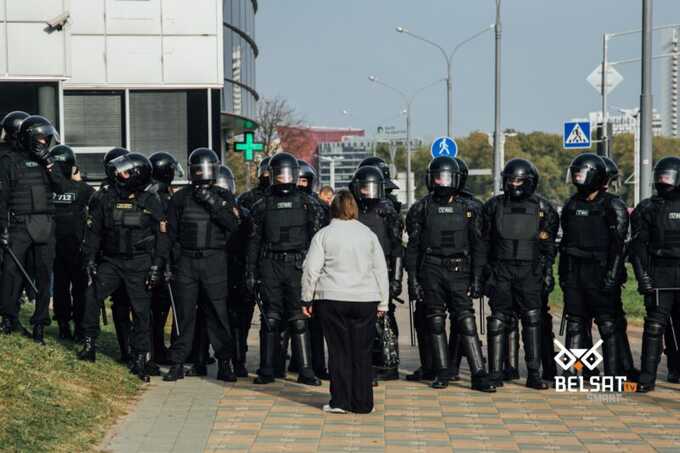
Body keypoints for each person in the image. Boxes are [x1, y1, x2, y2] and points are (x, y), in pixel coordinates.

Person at [78, 153, 169, 384]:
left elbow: (162, 238)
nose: (120, 175)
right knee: (91, 295)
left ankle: (140, 358)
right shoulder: (106, 197)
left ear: (137, 175)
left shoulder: (151, 201)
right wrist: (89, 259)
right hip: (111, 261)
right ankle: (89, 343)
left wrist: (157, 266)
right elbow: (94, 231)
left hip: (140, 264)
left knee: (141, 311)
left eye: (126, 172)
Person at [406, 157, 495, 392]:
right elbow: (412, 248)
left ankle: (478, 374)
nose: (441, 182)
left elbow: (479, 247)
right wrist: (413, 280)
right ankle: (442, 372)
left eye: (445, 177)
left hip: (460, 269)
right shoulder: (421, 208)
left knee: (466, 321)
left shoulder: (471, 208)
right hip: (431, 268)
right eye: (437, 177)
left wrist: (477, 278)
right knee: (434, 320)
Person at [302, 190, 389, 414]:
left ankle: (339, 401)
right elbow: (380, 269)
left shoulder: (324, 235)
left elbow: (311, 269)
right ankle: (363, 403)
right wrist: (383, 303)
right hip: (365, 298)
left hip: (332, 298)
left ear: (333, 209)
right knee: (362, 351)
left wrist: (307, 297)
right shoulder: (368, 234)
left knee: (338, 351)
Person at [163, 149, 240, 382]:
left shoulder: (225, 196)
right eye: (198, 169)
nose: (202, 173)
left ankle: (225, 363)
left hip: (214, 259)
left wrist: (213, 202)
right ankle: (178, 362)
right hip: (186, 261)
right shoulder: (180, 197)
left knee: (218, 314)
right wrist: (167, 263)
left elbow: (233, 226)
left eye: (205, 169)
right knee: (184, 315)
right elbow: (170, 235)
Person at [246, 152, 322, 386]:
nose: (283, 179)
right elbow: (254, 241)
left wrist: (317, 271)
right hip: (270, 264)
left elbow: (316, 240)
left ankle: (306, 370)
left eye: (287, 174)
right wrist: (251, 271)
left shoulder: (309, 204)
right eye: (279, 174)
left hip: (298, 265)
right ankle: (267, 368)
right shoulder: (262, 205)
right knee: (271, 318)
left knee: (299, 319)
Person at [483, 158, 559, 390]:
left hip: (530, 271)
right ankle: (495, 373)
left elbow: (548, 248)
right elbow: (483, 243)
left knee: (533, 320)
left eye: (518, 180)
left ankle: (534, 374)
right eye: (510, 180)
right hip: (501, 270)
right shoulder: (493, 206)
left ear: (529, 182)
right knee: (498, 320)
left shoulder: (544, 208)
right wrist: (485, 274)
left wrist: (547, 273)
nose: (514, 184)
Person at [559, 153, 629, 379]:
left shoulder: (613, 205)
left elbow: (619, 247)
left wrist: (613, 275)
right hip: (575, 274)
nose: (579, 178)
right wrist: (563, 274)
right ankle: (572, 373)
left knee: (608, 325)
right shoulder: (570, 205)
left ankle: (614, 375)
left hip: (601, 273)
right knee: (575, 324)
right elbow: (566, 243)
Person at [0, 116, 67, 342]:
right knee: (11, 272)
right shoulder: (10, 160)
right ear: (28, 137)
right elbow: (2, 197)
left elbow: (61, 186)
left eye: (46, 138)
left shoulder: (47, 161)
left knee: (44, 275)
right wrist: (3, 228)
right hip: (19, 224)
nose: (44, 141)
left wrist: (49, 163)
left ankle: (39, 325)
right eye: (40, 137)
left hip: (46, 224)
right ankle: (9, 318)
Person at [631, 156, 680, 393]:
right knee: (654, 327)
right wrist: (643, 278)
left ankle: (676, 371)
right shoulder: (647, 208)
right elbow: (638, 248)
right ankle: (647, 378)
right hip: (659, 275)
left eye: (668, 177)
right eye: (660, 177)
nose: (663, 182)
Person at [350, 165, 403, 382]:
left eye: (370, 188)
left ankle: (389, 363)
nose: (367, 192)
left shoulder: (387, 211)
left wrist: (397, 279)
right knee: (362, 321)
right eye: (363, 188)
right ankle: (367, 366)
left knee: (385, 319)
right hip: (357, 272)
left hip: (383, 271)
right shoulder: (351, 210)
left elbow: (398, 248)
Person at [51, 144, 95, 340]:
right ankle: (79, 327)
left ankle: (63, 326)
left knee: (60, 287)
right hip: (77, 246)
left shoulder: (46, 188)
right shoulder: (84, 190)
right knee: (79, 289)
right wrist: (79, 179)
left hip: (54, 245)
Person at [96, 147, 135, 364]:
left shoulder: (137, 190)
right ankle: (126, 351)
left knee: (137, 306)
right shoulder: (103, 195)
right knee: (120, 305)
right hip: (111, 257)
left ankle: (140, 352)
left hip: (135, 258)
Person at [602, 156, 639, 381]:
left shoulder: (610, 204)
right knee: (610, 321)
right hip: (601, 271)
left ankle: (622, 365)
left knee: (612, 321)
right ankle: (619, 367)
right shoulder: (611, 204)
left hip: (604, 271)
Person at [148, 152, 184, 366]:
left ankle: (159, 349)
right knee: (159, 309)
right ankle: (156, 350)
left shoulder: (157, 194)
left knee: (161, 309)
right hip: (162, 260)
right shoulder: (159, 197)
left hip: (162, 259)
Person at [297, 159, 329, 378]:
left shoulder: (321, 207)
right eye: (296, 179)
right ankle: (292, 364)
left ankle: (318, 365)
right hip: (288, 266)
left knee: (316, 323)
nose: (299, 183)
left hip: (315, 268)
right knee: (289, 321)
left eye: (303, 180)